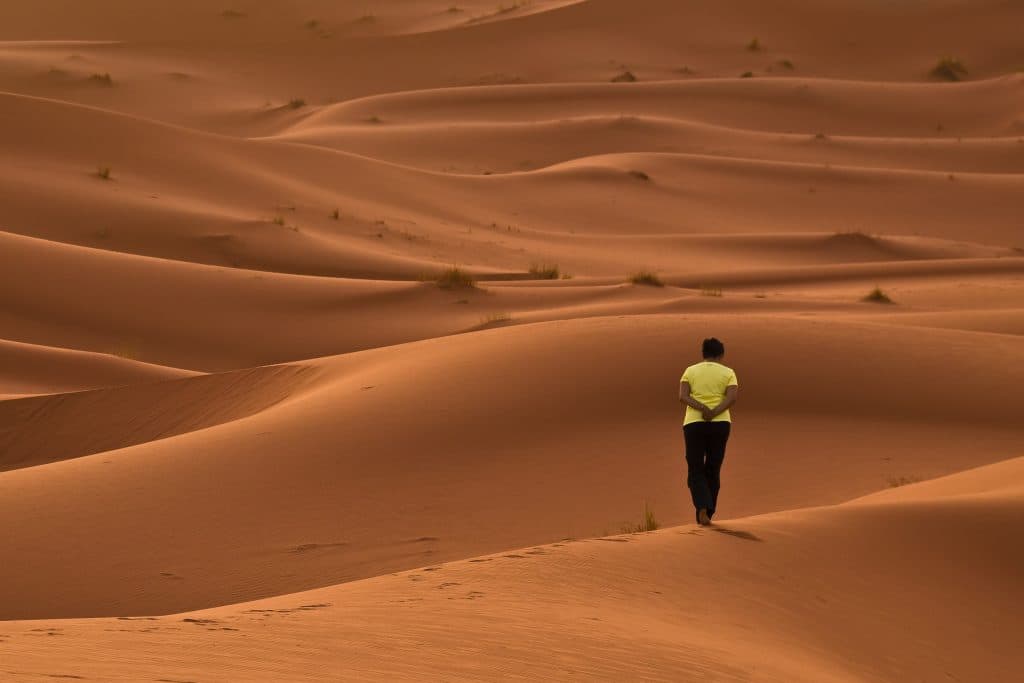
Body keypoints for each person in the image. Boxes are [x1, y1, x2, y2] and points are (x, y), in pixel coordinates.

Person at [678, 337, 738, 526]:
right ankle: (708, 511)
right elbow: (732, 398)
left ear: (703, 353)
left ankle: (702, 508)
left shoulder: (690, 370)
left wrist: (702, 409)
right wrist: (714, 412)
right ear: (721, 354)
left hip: (694, 423)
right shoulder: (729, 372)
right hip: (720, 423)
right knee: (713, 466)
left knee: (695, 466)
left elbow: (683, 396)